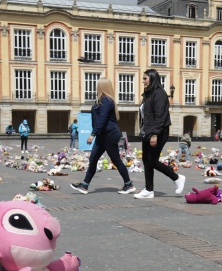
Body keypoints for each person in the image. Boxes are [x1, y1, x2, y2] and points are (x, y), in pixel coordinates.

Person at [70, 78, 136, 195]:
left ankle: (128, 184)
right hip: (102, 135)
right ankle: (85, 185)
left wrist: (92, 134)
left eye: (98, 85)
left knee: (116, 160)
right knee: (93, 159)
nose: (96, 88)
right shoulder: (101, 100)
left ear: (102, 87)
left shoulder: (106, 100)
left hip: (109, 134)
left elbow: (102, 119)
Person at [134, 69, 185, 199]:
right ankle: (148, 190)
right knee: (146, 160)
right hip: (147, 131)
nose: (143, 81)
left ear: (152, 78)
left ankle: (177, 178)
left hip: (158, 132)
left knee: (152, 160)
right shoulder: (148, 94)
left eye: (145, 78)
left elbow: (160, 116)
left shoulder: (159, 94)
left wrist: (155, 134)